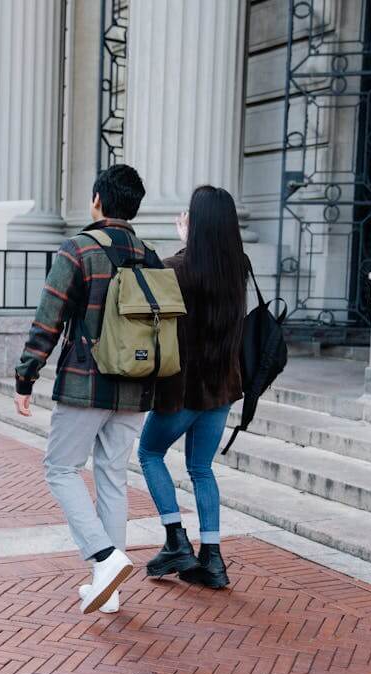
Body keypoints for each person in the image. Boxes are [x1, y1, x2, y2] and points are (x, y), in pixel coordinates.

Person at [14, 164, 163, 615]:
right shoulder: (150, 256)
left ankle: (103, 558)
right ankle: (109, 588)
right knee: (112, 476)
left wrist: (26, 375)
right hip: (137, 385)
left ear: (97, 199)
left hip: (86, 382)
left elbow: (49, 319)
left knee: (60, 469)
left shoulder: (78, 250)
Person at [137, 185, 248, 589]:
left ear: (195, 224)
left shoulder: (175, 270)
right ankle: (213, 559)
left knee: (149, 452)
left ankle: (175, 539)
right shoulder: (240, 267)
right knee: (201, 468)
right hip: (221, 388)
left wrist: (186, 246)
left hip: (182, 390)